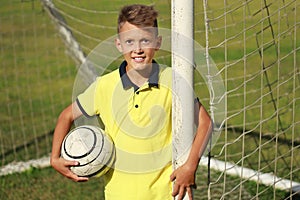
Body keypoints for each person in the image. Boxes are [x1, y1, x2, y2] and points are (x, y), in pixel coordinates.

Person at [51, 4, 212, 200]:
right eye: (129, 42)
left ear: (158, 42)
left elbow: (205, 123)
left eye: (145, 40)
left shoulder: (173, 80)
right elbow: (66, 115)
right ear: (119, 44)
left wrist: (190, 166)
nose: (137, 49)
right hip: (118, 194)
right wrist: (55, 158)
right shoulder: (104, 85)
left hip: (164, 194)